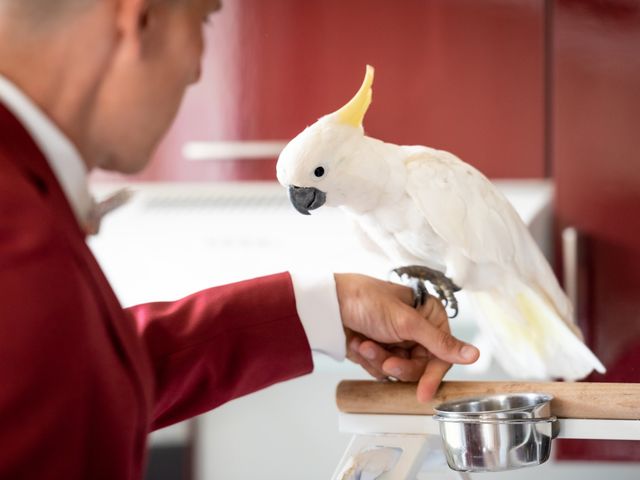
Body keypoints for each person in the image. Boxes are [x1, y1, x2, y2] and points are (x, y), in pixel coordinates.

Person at [0, 0, 479, 478]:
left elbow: (76, 383)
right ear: (139, 19)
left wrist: (323, 307)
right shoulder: (21, 238)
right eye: (202, 20)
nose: (196, 72)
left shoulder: (23, 197)